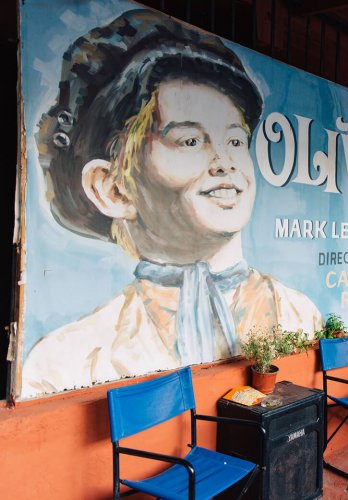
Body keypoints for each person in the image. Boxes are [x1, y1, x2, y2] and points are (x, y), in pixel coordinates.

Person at [22, 9, 323, 397]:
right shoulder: (67, 360)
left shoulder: (300, 314)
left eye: (234, 140)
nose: (226, 163)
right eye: (190, 141)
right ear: (112, 189)